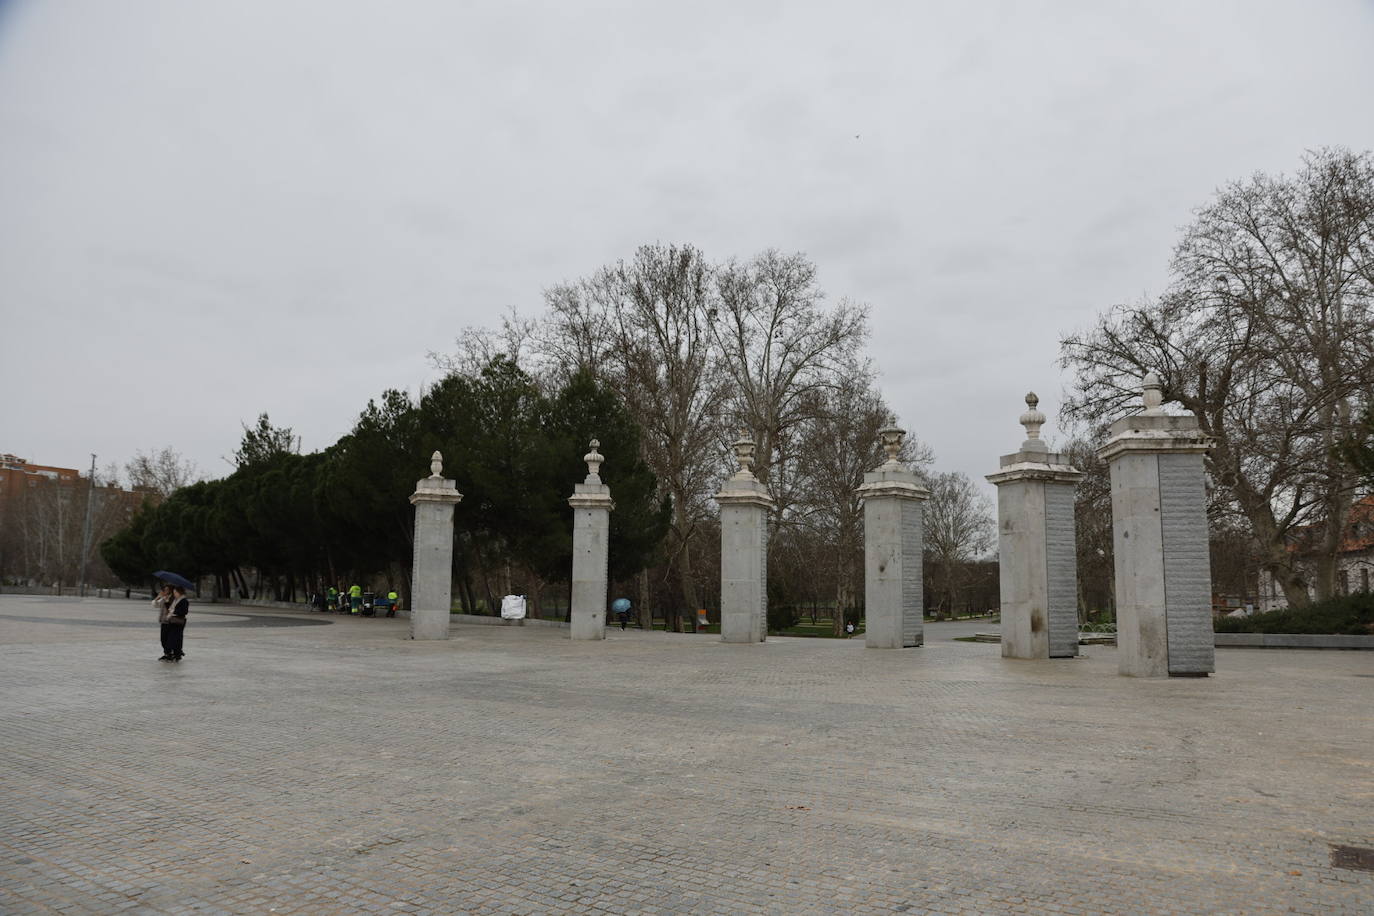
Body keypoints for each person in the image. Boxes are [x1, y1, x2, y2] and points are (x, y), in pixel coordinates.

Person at [163, 586, 190, 661]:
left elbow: (184, 611)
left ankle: (176, 654)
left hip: (178, 622)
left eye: (175, 592)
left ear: (180, 592)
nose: (174, 594)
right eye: (174, 592)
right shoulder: (176, 600)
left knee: (175, 639)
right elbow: (170, 609)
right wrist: (167, 602)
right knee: (173, 638)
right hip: (173, 621)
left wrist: (174, 612)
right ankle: (175, 654)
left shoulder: (184, 600)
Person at [153, 584, 174, 660]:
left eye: (167, 590)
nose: (165, 591)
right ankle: (167, 653)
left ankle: (169, 653)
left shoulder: (173, 598)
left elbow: (171, 608)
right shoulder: (163, 598)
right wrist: (157, 598)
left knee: (168, 639)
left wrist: (166, 600)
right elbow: (155, 605)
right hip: (163, 621)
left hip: (170, 621)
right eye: (164, 590)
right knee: (163, 639)